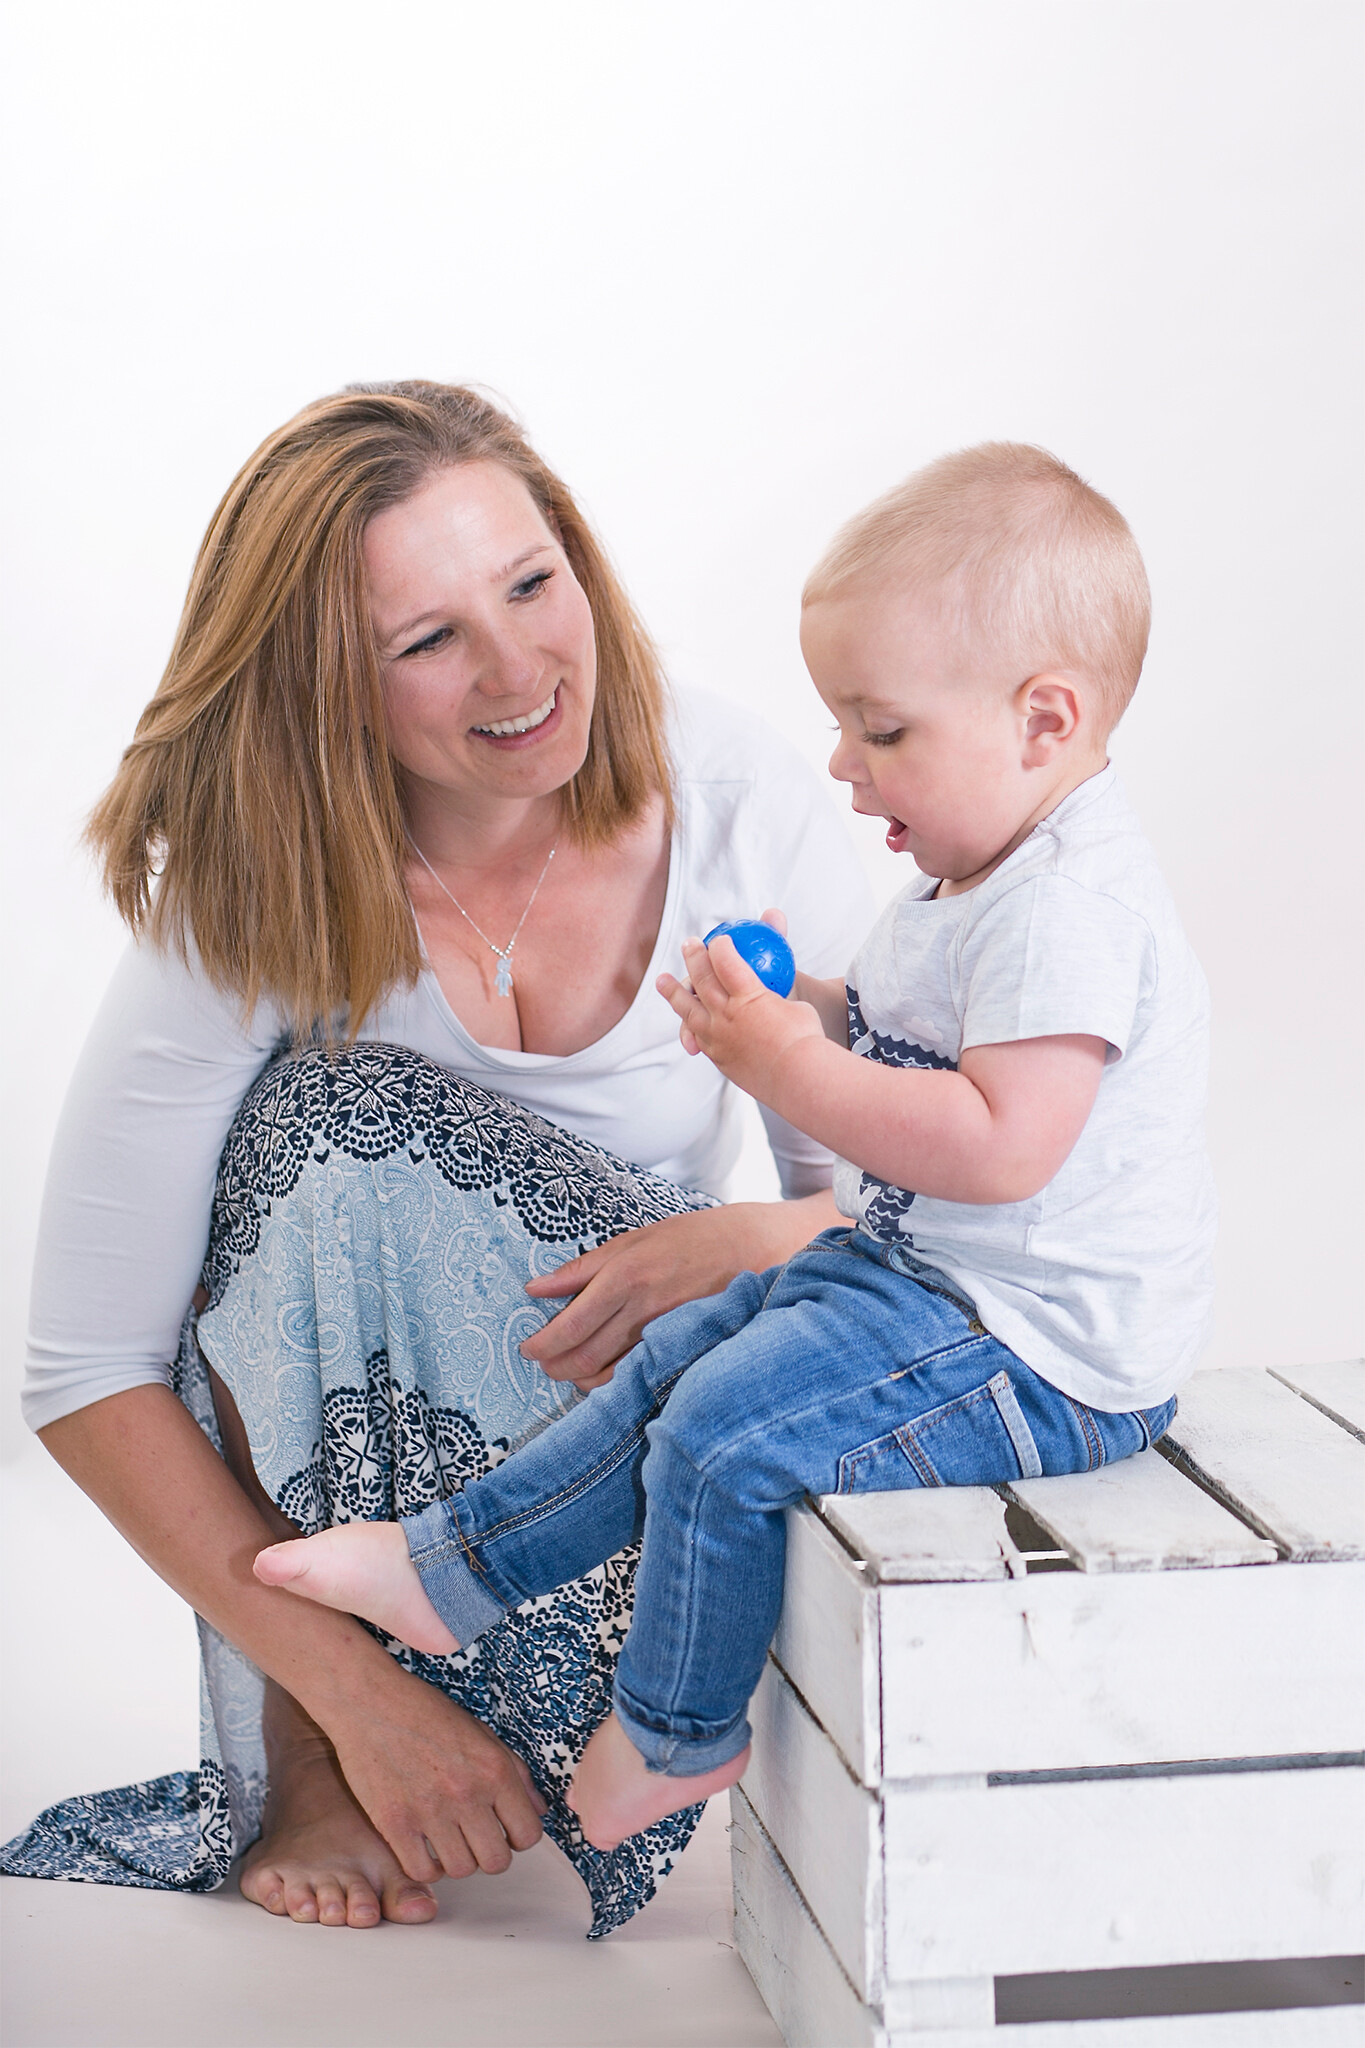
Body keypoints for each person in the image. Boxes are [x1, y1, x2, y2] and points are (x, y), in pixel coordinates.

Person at [251, 441, 1217, 1852]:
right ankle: (446, 1574)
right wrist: (800, 1008)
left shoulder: (1066, 910)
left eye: (881, 732)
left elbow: (1001, 1145)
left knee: (724, 1437)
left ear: (1042, 720)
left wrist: (792, 1068)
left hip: (1043, 1353)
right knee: (678, 1360)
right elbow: (905, 1039)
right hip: (937, 1290)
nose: (841, 766)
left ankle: (674, 1735)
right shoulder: (976, 874)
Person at [2, 381, 871, 1936]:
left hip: (653, 1452)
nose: (520, 669)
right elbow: (86, 1367)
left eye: (532, 585)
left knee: (829, 1289)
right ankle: (322, 1752)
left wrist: (737, 1239)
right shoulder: (258, 889)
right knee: (323, 1126)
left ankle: (651, 1712)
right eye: (427, 640)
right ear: (326, 688)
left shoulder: (735, 800)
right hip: (363, 1547)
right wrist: (356, 1701)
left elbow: (927, 1208)